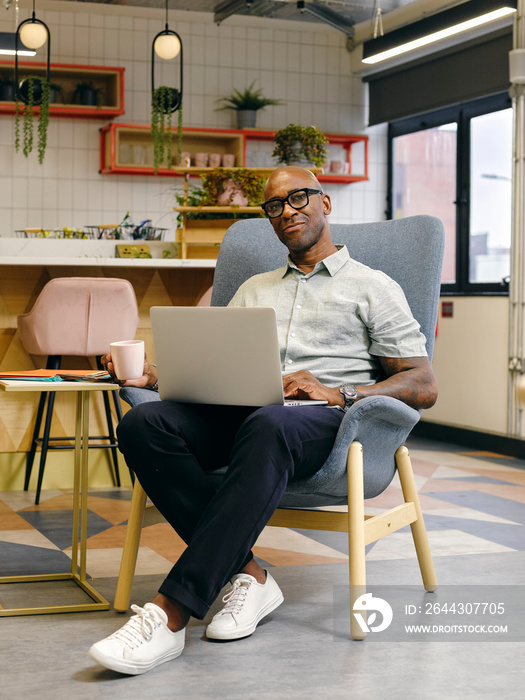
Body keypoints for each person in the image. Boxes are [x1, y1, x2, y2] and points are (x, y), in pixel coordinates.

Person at [88, 166, 438, 675]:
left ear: (325, 203)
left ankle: (170, 614)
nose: (286, 212)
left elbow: (423, 383)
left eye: (297, 198)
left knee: (270, 423)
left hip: (323, 423)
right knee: (146, 424)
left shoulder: (372, 286)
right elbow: (221, 366)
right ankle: (250, 575)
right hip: (245, 415)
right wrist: (158, 375)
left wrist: (340, 392)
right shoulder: (254, 288)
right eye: (274, 206)